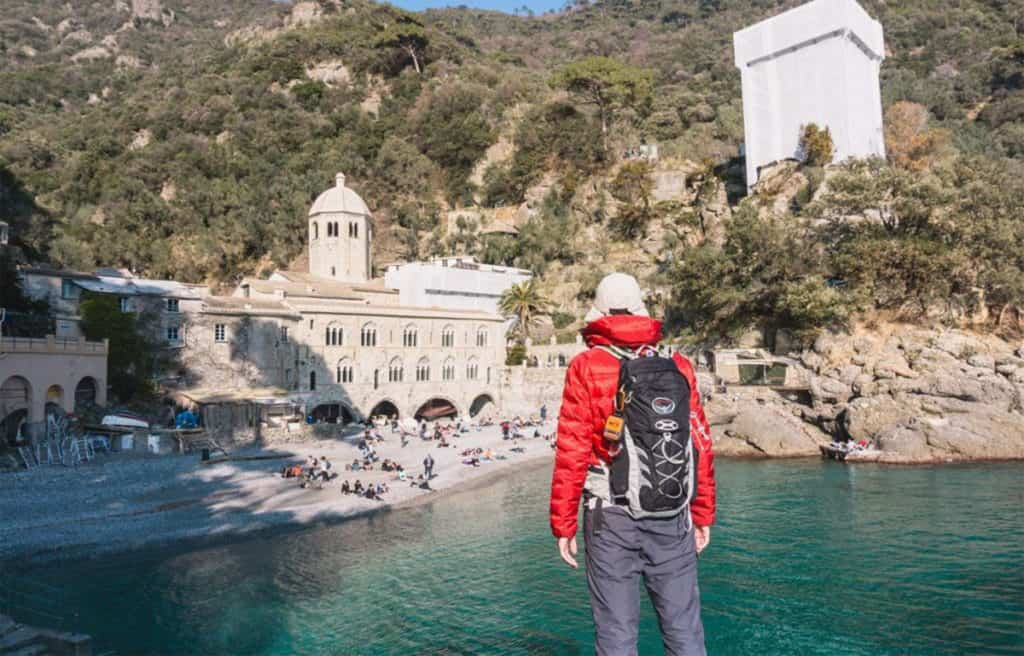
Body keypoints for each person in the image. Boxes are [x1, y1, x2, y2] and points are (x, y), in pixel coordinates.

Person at [550, 272, 716, 656]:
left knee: (616, 635)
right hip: (672, 512)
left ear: (599, 312)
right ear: (642, 310)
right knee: (684, 633)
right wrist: (703, 513)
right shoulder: (677, 364)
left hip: (609, 517)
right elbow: (700, 445)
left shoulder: (586, 366)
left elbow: (572, 450)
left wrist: (563, 524)